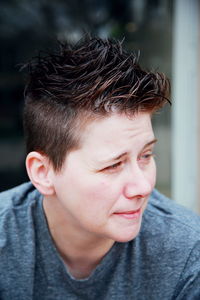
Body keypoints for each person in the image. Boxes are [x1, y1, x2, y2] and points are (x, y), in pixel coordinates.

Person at [0, 37, 200, 300]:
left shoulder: (187, 250)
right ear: (43, 172)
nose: (143, 186)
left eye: (145, 155)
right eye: (113, 165)